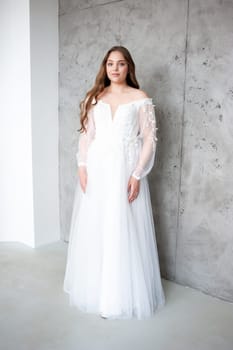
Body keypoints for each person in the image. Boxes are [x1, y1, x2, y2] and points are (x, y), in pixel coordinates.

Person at [63, 45, 165, 320]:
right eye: (110, 64)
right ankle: (97, 290)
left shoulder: (140, 98)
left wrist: (136, 174)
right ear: (105, 67)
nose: (115, 69)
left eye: (121, 64)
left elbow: (149, 140)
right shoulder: (96, 97)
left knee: (122, 226)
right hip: (97, 168)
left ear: (129, 67)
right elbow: (87, 136)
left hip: (124, 169)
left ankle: (119, 296)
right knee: (98, 226)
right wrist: (82, 166)